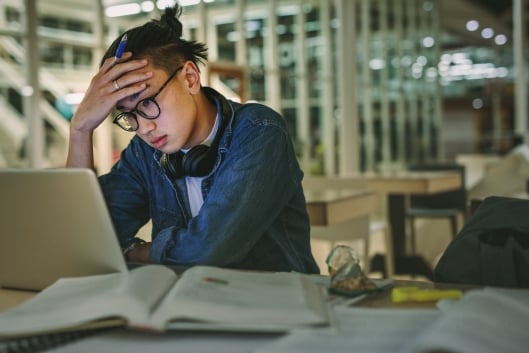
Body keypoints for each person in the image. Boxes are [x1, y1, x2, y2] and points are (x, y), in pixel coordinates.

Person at [65, 5, 319, 274]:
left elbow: (208, 250)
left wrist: (135, 251)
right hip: (188, 305)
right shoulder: (144, 153)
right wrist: (80, 130)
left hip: (276, 305)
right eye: (129, 116)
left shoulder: (260, 131)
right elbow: (85, 236)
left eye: (148, 103)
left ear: (189, 78)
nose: (144, 128)